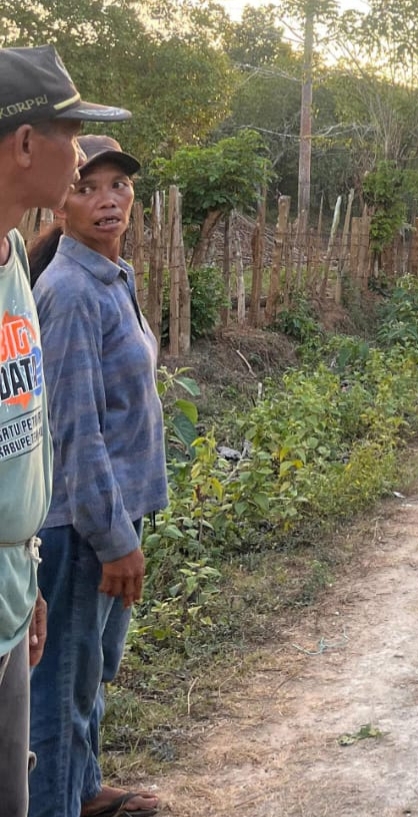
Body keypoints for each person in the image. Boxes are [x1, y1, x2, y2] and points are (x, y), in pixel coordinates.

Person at [0, 45, 130, 817]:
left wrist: (25, 573)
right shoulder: (64, 286)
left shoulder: (15, 257)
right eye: (72, 135)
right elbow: (77, 428)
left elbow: (24, 429)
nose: (81, 158)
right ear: (24, 144)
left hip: (15, 589)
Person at [27, 135, 165, 817]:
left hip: (112, 516)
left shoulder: (115, 275)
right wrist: (114, 540)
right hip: (83, 527)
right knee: (60, 687)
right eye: (87, 187)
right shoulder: (71, 292)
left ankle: (81, 791)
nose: (108, 200)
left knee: (89, 674)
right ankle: (55, 799)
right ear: (61, 202)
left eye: (119, 185)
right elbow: (76, 434)